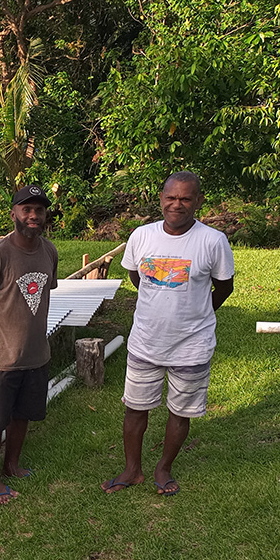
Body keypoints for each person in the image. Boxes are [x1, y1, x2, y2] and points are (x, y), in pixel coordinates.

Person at [102, 171, 234, 496]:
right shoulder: (141, 236)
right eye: (171, 197)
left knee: (180, 410)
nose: (177, 204)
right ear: (161, 199)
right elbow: (137, 276)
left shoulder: (213, 241)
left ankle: (163, 468)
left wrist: (197, 312)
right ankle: (133, 469)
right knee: (135, 408)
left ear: (198, 201)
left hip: (192, 346)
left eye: (186, 198)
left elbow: (224, 286)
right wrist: (159, 302)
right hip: (145, 342)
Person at [0, 185, 59, 505]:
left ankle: (12, 465)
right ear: (14, 214)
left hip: (36, 354)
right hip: (0, 360)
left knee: (22, 415)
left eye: (39, 210)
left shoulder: (50, 252)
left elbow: (42, 294)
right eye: (26, 209)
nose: (33, 215)